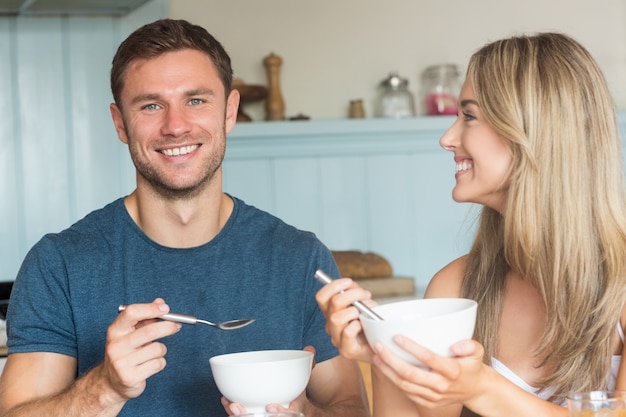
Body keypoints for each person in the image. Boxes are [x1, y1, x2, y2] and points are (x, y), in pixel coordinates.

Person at [0, 19, 369, 417]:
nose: (175, 126)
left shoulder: (300, 259)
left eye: (196, 101)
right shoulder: (59, 263)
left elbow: (349, 408)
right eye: (151, 105)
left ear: (229, 111)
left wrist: (305, 415)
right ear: (120, 123)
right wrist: (105, 388)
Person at [316, 32, 626, 417]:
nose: (448, 138)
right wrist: (389, 353)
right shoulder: (454, 289)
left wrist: (481, 387)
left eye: (469, 116)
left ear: (533, 129)